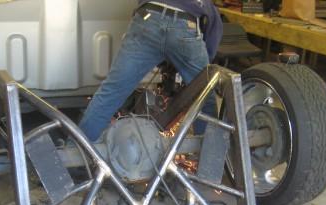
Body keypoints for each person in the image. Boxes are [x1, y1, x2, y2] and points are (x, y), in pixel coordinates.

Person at [78, 0, 223, 142]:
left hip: (148, 17)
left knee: (111, 92)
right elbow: (214, 32)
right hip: (185, 24)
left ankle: (77, 150)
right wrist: (204, 64)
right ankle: (210, 155)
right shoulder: (207, 6)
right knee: (205, 98)